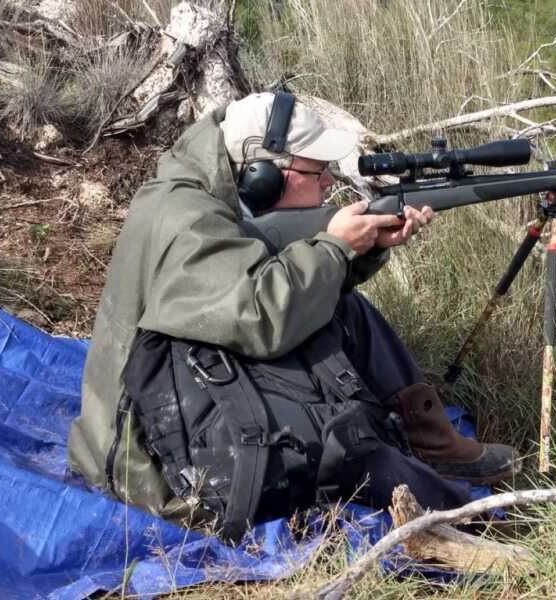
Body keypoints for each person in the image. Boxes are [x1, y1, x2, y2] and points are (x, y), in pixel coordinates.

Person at [67, 92, 518, 532]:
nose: (327, 182)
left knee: (342, 305)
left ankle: (431, 442)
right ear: (261, 174)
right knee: (346, 443)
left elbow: (259, 286)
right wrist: (336, 246)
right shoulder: (189, 220)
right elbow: (262, 318)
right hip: (156, 454)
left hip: (181, 376)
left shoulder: (201, 190)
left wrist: (358, 251)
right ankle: (463, 520)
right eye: (316, 170)